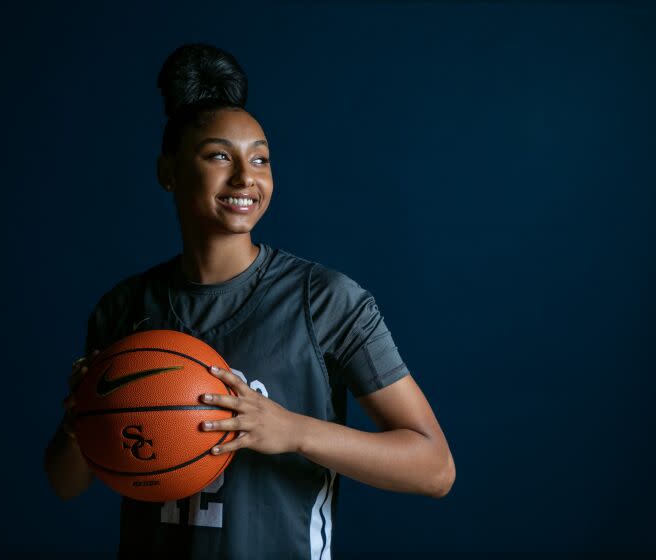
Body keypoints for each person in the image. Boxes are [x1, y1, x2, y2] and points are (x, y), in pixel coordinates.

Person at [44, 42, 455, 559]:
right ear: (167, 170)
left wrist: (293, 431)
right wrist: (80, 418)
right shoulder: (124, 308)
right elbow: (66, 484)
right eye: (219, 155)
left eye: (260, 158)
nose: (246, 178)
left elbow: (435, 468)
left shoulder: (324, 299)